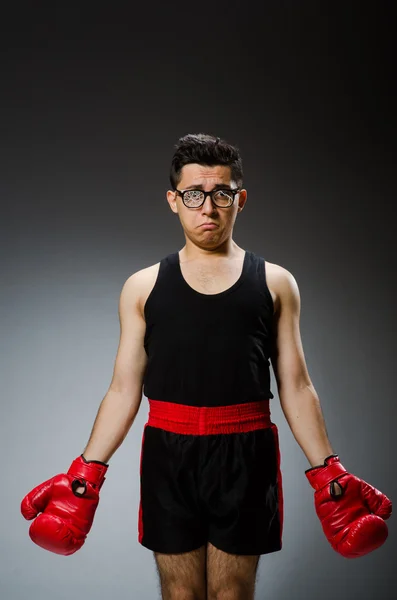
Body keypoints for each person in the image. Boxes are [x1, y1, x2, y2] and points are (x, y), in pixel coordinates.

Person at [21, 133, 392, 600]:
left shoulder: (276, 283)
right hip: (168, 452)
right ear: (174, 200)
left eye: (222, 194)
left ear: (241, 200)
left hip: (245, 453)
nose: (208, 209)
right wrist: (86, 471)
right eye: (194, 195)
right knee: (180, 595)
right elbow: (122, 389)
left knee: (232, 594)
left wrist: (328, 472)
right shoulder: (142, 285)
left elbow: (296, 386)